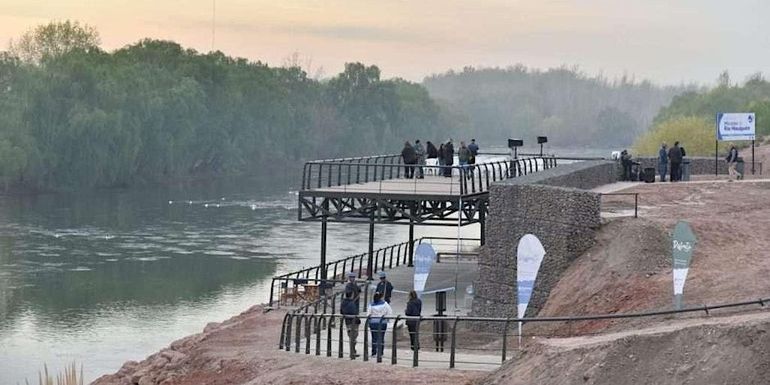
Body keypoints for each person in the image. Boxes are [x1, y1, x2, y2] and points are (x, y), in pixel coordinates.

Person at [367, 292, 392, 359]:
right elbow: (389, 312)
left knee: (374, 338)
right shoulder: (385, 304)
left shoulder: (371, 305)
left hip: (373, 323)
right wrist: (387, 318)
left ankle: (374, 352)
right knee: (381, 337)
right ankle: (380, 352)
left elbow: (368, 314)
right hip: (382, 322)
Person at [340, 290, 360, 359]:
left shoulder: (343, 302)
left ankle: (353, 351)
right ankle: (352, 352)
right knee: (353, 336)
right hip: (353, 321)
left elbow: (341, 311)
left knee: (351, 336)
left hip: (347, 321)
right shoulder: (351, 303)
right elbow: (354, 312)